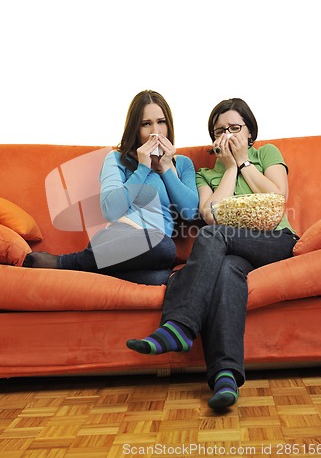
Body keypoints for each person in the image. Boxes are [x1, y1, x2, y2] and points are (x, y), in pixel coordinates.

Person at [126, 97, 299, 410]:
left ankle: (179, 325)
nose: (228, 136)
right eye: (220, 131)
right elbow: (210, 214)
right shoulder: (206, 175)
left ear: (250, 133)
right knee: (225, 272)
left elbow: (278, 196)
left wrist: (245, 163)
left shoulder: (266, 153)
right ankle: (225, 376)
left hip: (275, 241)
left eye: (235, 128)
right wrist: (230, 168)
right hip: (234, 250)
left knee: (211, 235)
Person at [23, 90, 199, 285]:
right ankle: (66, 262)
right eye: (146, 124)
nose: (155, 131)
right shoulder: (117, 159)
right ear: (135, 127)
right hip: (117, 240)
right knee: (166, 248)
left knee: (161, 276)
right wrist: (142, 168)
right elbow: (111, 210)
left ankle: (84, 269)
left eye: (161, 122)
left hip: (152, 252)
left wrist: (166, 167)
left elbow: (190, 212)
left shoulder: (182, 164)